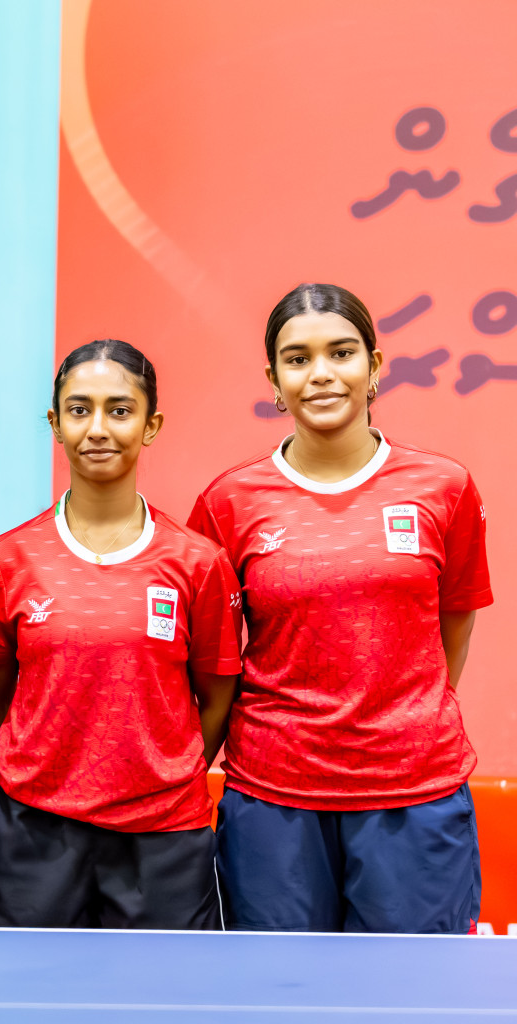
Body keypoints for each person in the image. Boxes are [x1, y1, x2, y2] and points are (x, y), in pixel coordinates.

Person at [188, 283, 490, 933]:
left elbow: (452, 625)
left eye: (342, 353)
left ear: (375, 367)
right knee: (282, 1000)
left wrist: (398, 720)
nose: (321, 374)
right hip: (272, 802)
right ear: (273, 379)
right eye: (298, 359)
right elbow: (209, 657)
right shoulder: (229, 501)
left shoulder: (445, 488)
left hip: (416, 796)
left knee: (413, 1000)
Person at [0, 340, 241, 929]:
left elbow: (217, 699)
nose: (98, 428)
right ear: (55, 424)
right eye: (79, 409)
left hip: (164, 837)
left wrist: (158, 770)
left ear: (151, 425)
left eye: (120, 410)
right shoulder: (6, 559)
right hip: (32, 832)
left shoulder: (199, 562)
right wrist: (47, 763)